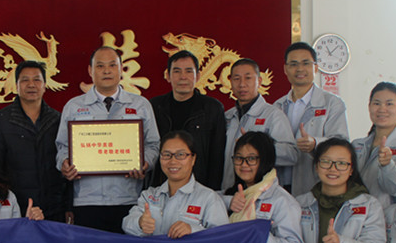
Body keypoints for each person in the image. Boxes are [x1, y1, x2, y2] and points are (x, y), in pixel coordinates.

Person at [55, 47, 160, 232]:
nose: (106, 71)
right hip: (87, 200)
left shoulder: (140, 105)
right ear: (90, 70)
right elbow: (62, 146)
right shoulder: (74, 106)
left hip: (129, 198)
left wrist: (145, 163)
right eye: (100, 66)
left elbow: (153, 144)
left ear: (121, 69)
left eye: (112, 65)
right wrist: (64, 163)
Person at [0, 61, 69, 222]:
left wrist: (68, 206)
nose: (31, 85)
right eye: (25, 80)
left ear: (44, 85)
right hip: (15, 209)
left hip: (54, 209)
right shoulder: (1, 121)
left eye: (37, 80)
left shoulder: (58, 120)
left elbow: (67, 165)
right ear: (16, 85)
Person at [273, 42, 349, 196]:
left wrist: (315, 143)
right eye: (293, 64)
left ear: (315, 67)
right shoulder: (277, 106)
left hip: (315, 184)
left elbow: (342, 143)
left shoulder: (332, 103)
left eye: (306, 63)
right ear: (285, 69)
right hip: (280, 184)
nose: (300, 69)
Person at [122, 131, 229, 237]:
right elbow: (126, 224)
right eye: (167, 155)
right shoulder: (149, 195)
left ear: (193, 159)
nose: (173, 161)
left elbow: (223, 238)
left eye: (180, 155)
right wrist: (140, 223)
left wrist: (193, 230)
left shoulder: (209, 198)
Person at [149, 50, 227, 190]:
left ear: (198, 76)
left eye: (189, 71)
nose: (183, 77)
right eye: (177, 71)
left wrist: (212, 191)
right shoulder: (155, 106)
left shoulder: (213, 108)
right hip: (161, 185)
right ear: (168, 76)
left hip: (199, 186)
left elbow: (217, 156)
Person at [222, 58, 298, 191]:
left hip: (260, 193)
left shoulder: (273, 115)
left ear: (259, 81)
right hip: (229, 190)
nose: (242, 84)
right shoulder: (227, 116)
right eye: (236, 79)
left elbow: (292, 155)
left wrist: (258, 147)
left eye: (248, 78)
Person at [352, 82, 396, 210]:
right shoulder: (357, 145)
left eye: (389, 104)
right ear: (369, 106)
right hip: (355, 213)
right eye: (376, 103)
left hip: (389, 216)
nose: (382, 109)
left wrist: (387, 165)